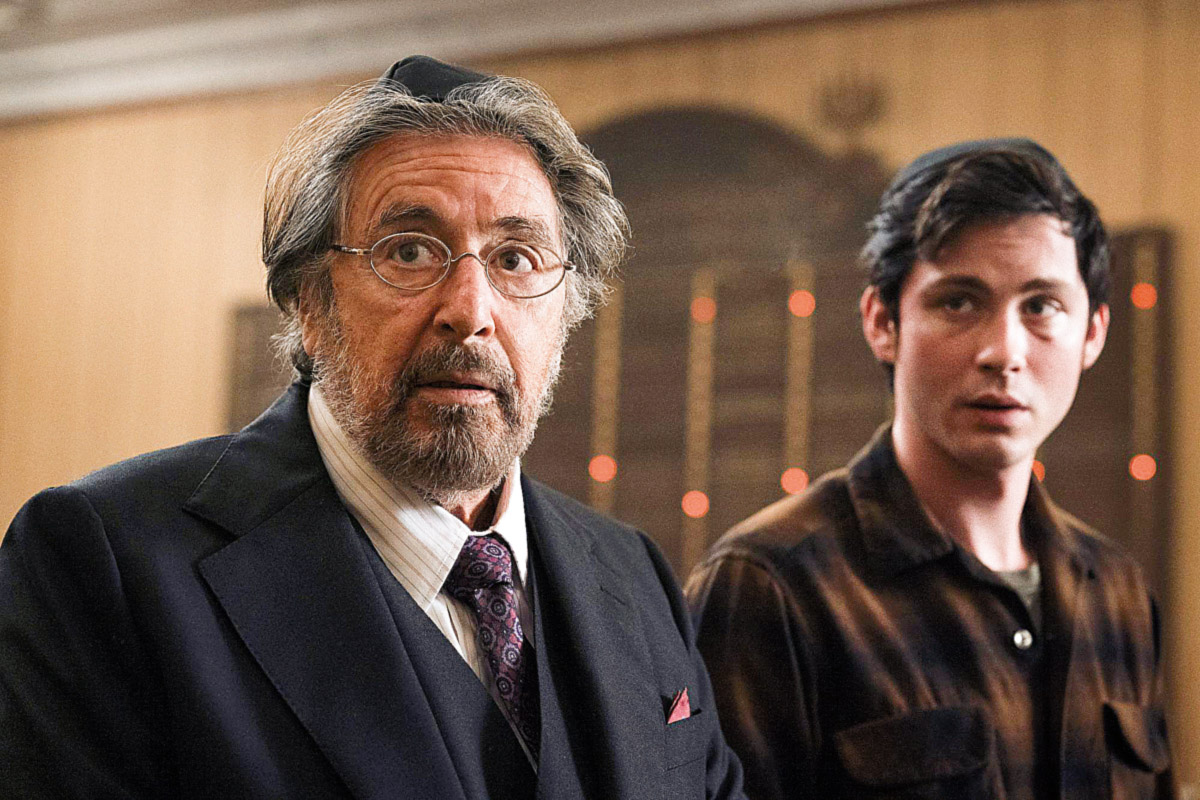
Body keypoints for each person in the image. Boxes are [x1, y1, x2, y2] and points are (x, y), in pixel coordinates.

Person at [0, 56, 744, 800]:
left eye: (516, 258)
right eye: (409, 251)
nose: (471, 311)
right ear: (309, 302)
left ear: (566, 311)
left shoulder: (634, 575)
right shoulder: (104, 561)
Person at [687, 138, 1175, 799]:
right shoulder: (772, 585)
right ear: (883, 322)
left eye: (1041, 306)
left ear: (1093, 333)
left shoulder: (1117, 592)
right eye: (959, 302)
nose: (1003, 351)